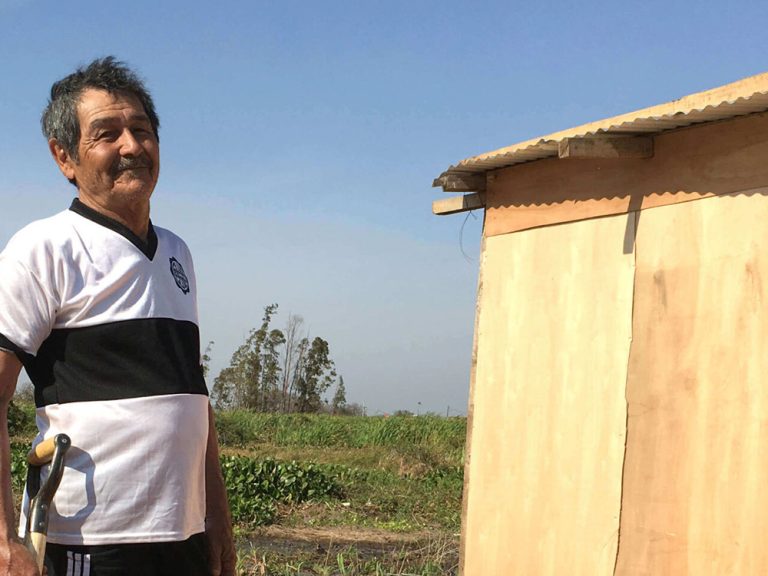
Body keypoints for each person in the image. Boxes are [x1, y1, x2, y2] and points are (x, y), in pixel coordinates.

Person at [0, 57, 236, 575]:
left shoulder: (177, 253)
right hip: (92, 539)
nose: (132, 146)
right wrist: (2, 540)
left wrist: (217, 516)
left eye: (143, 130)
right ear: (64, 157)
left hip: (184, 535)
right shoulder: (43, 249)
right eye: (107, 134)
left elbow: (191, 393)